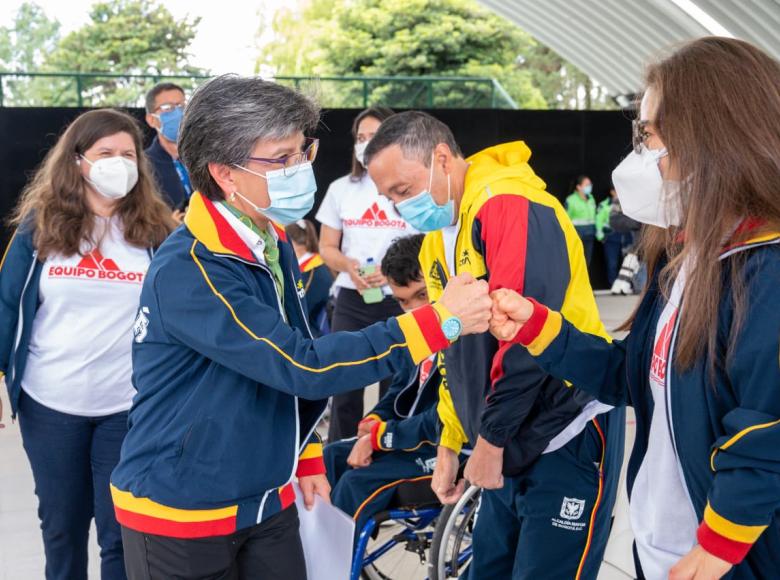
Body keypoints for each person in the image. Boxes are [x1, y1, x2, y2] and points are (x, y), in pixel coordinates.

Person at [109, 75, 492, 580]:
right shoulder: (194, 268)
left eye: (302, 151)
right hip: (184, 510)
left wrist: (307, 454)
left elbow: (292, 348)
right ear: (225, 173)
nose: (301, 169)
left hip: (268, 497)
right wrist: (439, 322)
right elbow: (301, 365)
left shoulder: (268, 240)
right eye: (282, 158)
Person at [488, 37, 780, 580]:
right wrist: (544, 331)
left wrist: (720, 544)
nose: (638, 155)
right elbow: (637, 377)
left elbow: (767, 424)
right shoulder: (687, 261)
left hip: (731, 559)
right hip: (665, 544)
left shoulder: (767, 269)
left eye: (647, 135)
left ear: (709, 135)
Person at [365, 111, 624, 579]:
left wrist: (489, 440)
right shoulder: (435, 241)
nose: (397, 208)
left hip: (563, 426)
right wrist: (450, 441)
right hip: (503, 442)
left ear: (441, 158)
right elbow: (453, 353)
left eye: (402, 191)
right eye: (388, 198)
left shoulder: (507, 203)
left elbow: (527, 337)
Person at [0, 109, 175, 580]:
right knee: (61, 526)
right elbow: (6, 304)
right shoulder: (39, 228)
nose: (119, 163)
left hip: (127, 406)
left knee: (120, 532)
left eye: (127, 154)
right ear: (78, 161)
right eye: (105, 154)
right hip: (50, 403)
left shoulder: (157, 234)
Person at [323, 234, 444, 534]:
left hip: (448, 450)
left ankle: (331, 566)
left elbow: (444, 420)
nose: (414, 310)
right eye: (403, 301)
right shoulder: (415, 337)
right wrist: (375, 419)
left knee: (354, 483)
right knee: (327, 457)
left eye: (422, 296)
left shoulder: (466, 340)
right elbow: (396, 392)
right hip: (409, 440)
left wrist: (379, 438)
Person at [316, 107, 419, 442]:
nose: (365, 144)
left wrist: (395, 279)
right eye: (360, 137)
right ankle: (337, 466)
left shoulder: (409, 188)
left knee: (398, 388)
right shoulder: (340, 189)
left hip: (399, 301)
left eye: (374, 136)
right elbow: (326, 247)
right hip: (351, 299)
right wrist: (350, 267)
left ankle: (387, 461)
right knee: (345, 389)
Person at [144, 82, 192, 220]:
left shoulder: (205, 156)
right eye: (167, 108)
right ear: (151, 119)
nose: (178, 113)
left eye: (182, 106)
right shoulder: (143, 165)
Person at [285, 219, 333, 333]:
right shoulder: (310, 267)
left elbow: (302, 308)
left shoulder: (315, 271)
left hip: (313, 334)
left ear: (292, 243)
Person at [597, 186, 638, 286]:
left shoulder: (628, 201)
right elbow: (599, 220)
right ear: (612, 192)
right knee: (612, 263)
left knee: (629, 261)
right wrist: (601, 236)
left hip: (626, 236)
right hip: (611, 236)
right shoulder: (605, 204)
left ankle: (630, 285)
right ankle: (613, 284)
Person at [565, 175, 597, 264]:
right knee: (576, 261)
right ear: (579, 187)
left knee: (587, 261)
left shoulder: (591, 198)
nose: (589, 186)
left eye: (590, 184)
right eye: (586, 185)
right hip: (577, 234)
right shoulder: (570, 200)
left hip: (590, 234)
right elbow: (566, 220)